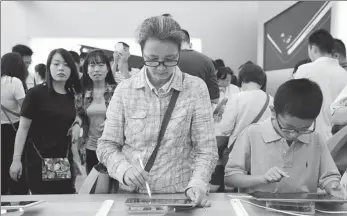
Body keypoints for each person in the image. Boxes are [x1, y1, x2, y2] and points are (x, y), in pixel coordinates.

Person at [96, 16, 218, 207]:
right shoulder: (125, 90)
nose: (161, 68)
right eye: (152, 60)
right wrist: (124, 170)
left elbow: (207, 149)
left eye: (170, 60)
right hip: (133, 197)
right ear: (142, 53)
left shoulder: (195, 88)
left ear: (179, 52)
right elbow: (106, 146)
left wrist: (198, 183)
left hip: (181, 197)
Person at [224, 79, 347, 199]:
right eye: (288, 127)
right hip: (259, 209)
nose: (294, 134)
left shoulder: (315, 138)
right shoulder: (252, 133)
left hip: (303, 210)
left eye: (304, 128)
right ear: (273, 111)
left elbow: (328, 177)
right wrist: (262, 178)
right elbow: (230, 178)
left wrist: (333, 186)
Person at [9, 48, 82, 194]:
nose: (61, 68)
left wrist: (76, 124)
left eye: (66, 64)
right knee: (43, 203)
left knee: (64, 201)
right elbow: (23, 129)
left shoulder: (70, 95)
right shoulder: (36, 94)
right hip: (38, 159)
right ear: (49, 67)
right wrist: (16, 159)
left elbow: (74, 116)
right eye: (56, 64)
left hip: (63, 160)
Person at [294, 29, 347, 142]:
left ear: (313, 48)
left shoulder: (304, 70)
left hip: (309, 138)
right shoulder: (344, 74)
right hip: (336, 142)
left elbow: (294, 105)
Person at [75, 49, 117, 174]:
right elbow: (78, 114)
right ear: (86, 69)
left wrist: (112, 122)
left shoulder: (117, 91)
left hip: (113, 148)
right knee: (92, 187)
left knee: (112, 188)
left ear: (108, 68)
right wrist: (77, 124)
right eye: (92, 65)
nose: (96, 69)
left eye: (101, 65)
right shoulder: (81, 92)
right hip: (90, 147)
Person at [1, 52, 29, 195]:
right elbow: (25, 109)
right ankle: (20, 196)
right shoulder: (14, 82)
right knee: (15, 164)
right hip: (14, 130)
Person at [178, 29, 220, 105]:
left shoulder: (169, 61)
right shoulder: (207, 61)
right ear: (189, 43)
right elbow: (215, 99)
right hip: (200, 112)